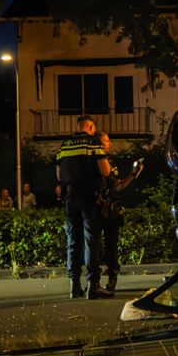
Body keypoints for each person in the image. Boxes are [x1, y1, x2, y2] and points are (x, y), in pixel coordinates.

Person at [56, 115, 112, 300]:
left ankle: (74, 286)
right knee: (91, 242)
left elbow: (59, 175)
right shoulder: (93, 143)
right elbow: (105, 171)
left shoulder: (64, 146)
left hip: (70, 198)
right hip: (89, 198)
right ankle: (93, 286)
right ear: (91, 127)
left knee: (73, 243)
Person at [95, 133, 143, 292]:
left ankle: (95, 281)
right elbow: (116, 187)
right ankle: (111, 277)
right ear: (99, 143)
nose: (110, 144)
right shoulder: (106, 162)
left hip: (95, 207)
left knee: (95, 245)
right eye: (106, 141)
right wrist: (132, 175)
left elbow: (116, 185)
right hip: (107, 209)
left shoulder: (90, 160)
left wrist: (131, 176)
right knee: (110, 245)